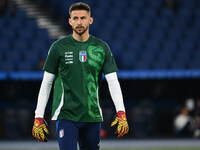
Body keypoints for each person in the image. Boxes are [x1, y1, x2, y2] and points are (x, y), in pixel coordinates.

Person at [32, 2, 129, 150]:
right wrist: (38, 116)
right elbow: (46, 84)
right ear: (70, 21)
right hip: (66, 116)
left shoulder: (101, 48)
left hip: (92, 116)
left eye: (83, 18)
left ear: (90, 20)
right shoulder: (58, 47)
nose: (79, 22)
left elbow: (113, 82)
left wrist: (121, 112)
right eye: (75, 18)